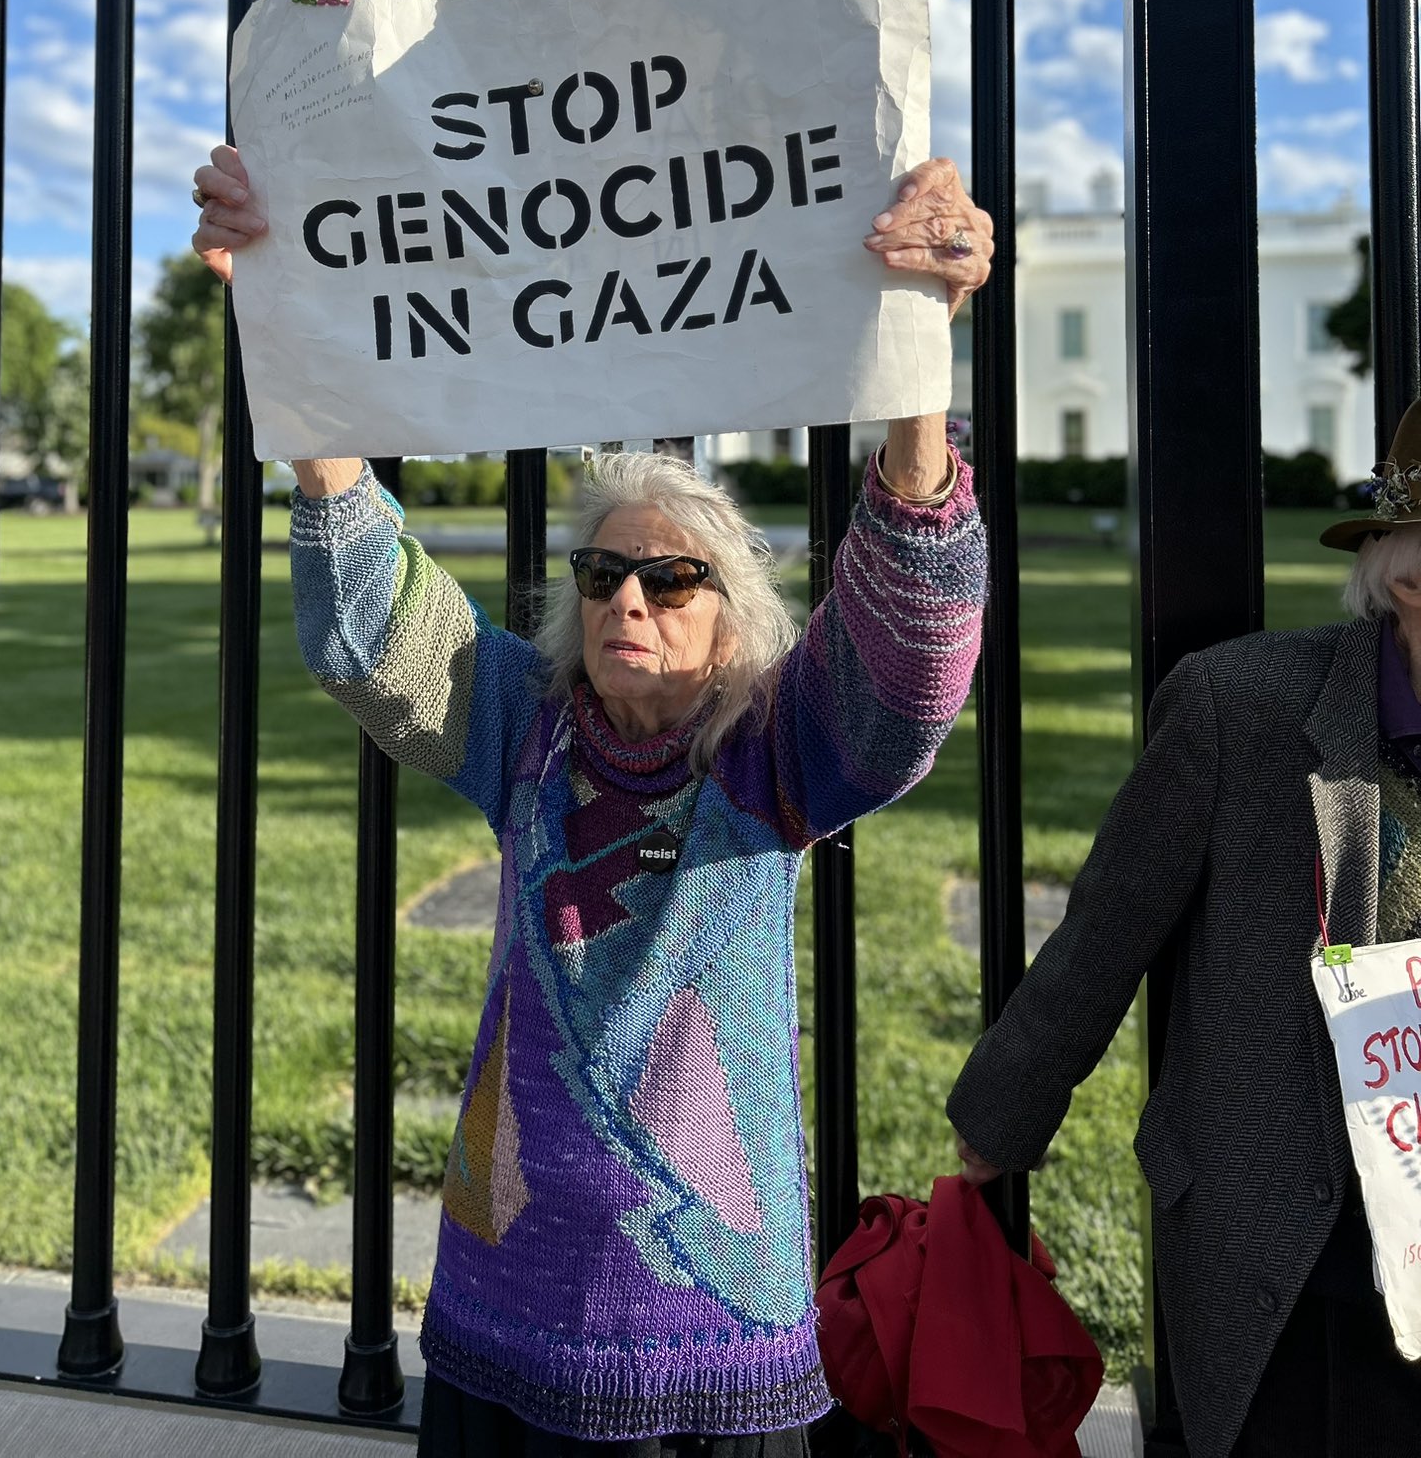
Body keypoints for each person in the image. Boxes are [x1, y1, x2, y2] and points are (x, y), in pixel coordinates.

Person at [192, 143, 992, 1456]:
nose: (629, 596)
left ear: (734, 621)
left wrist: (914, 368)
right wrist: (285, 313)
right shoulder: (524, 727)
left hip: (712, 1328)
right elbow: (367, 626)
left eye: (674, 579)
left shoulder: (771, 754)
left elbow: (908, 674)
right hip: (506, 1294)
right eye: (604, 570)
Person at [947, 402, 1421, 1458]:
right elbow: (1107, 926)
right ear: (1408, 581)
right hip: (1295, 1239)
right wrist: (1003, 1112)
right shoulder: (1241, 708)